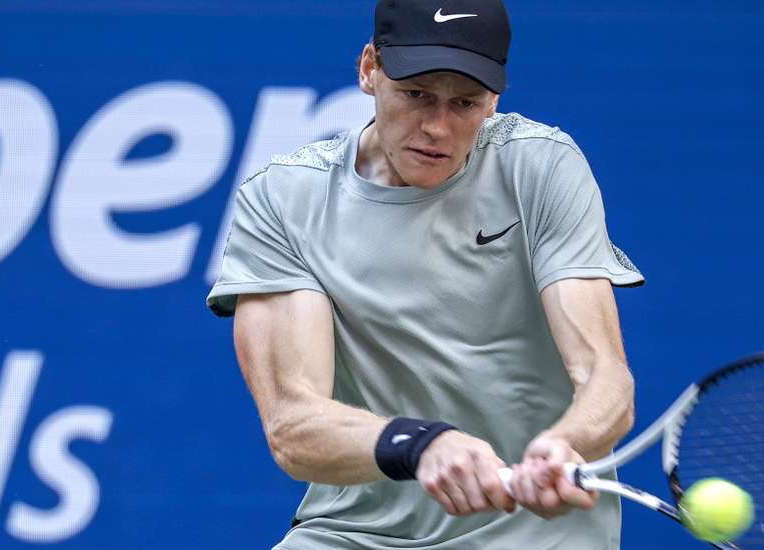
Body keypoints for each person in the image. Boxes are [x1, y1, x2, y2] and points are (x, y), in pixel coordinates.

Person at [207, 1, 644, 548]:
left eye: (465, 103)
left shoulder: (540, 166)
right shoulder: (283, 199)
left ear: (495, 100)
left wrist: (565, 442)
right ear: (369, 69)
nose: (438, 127)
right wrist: (420, 443)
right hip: (356, 533)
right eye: (416, 94)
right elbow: (294, 426)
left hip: (535, 534)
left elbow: (607, 378)